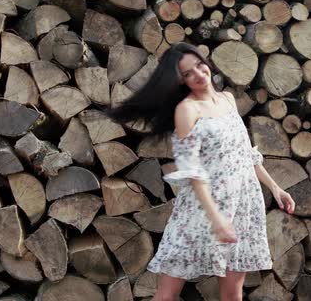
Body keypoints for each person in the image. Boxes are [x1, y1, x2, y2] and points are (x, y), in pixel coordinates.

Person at [108, 42, 295, 301]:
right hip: (201, 211)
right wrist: (216, 219)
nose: (198, 74)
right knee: (166, 295)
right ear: (181, 81)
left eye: (199, 65)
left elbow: (245, 154)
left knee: (232, 294)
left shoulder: (228, 100)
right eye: (188, 73)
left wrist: (275, 187)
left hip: (242, 205)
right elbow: (191, 172)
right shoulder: (186, 110)